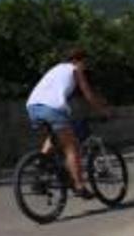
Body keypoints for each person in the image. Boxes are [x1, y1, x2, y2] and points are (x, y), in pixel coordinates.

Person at [25, 48, 110, 199]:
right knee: (72, 146)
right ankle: (79, 186)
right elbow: (88, 94)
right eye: (85, 62)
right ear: (78, 60)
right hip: (52, 108)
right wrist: (103, 111)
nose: (86, 66)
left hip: (33, 106)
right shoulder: (75, 70)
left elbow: (56, 91)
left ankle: (40, 169)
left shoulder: (55, 69)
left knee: (56, 135)